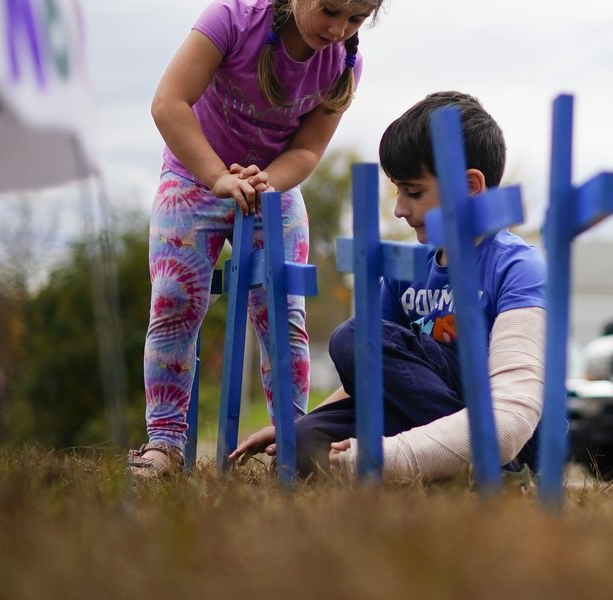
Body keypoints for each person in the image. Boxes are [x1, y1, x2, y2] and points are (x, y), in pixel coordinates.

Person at [128, 0, 393, 478]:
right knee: (175, 300)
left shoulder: (343, 63)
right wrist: (218, 176)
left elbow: (307, 152)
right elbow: (169, 104)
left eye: (358, 18)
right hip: (194, 177)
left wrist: (265, 181)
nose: (341, 29)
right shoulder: (231, 19)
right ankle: (165, 443)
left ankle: (291, 443)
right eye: (331, 11)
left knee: (283, 311)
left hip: (273, 187)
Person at [229, 91, 548, 483]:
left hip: (509, 429)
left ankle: (496, 469)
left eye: (413, 192)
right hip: (428, 411)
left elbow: (515, 406)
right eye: (398, 191)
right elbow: (377, 369)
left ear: (470, 186)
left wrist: (391, 455)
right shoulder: (407, 271)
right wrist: (304, 423)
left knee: (353, 336)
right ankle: (450, 467)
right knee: (305, 440)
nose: (399, 208)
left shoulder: (518, 267)